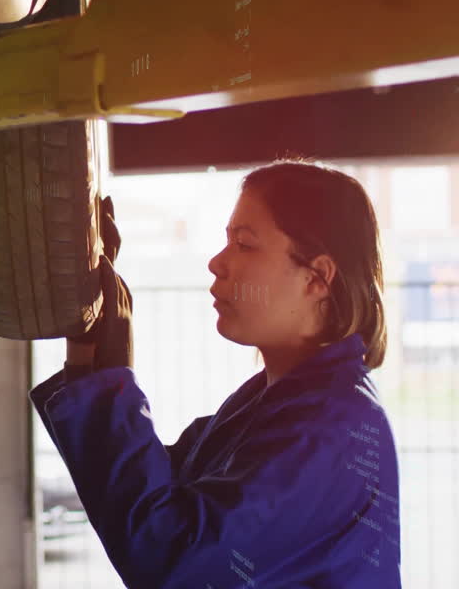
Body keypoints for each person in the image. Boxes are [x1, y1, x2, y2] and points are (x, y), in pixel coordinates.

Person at [30, 159, 401, 587]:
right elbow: (161, 494)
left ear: (317, 278)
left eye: (244, 245)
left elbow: (171, 555)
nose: (216, 263)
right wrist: (87, 350)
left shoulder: (331, 427)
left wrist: (111, 381)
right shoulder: (278, 400)